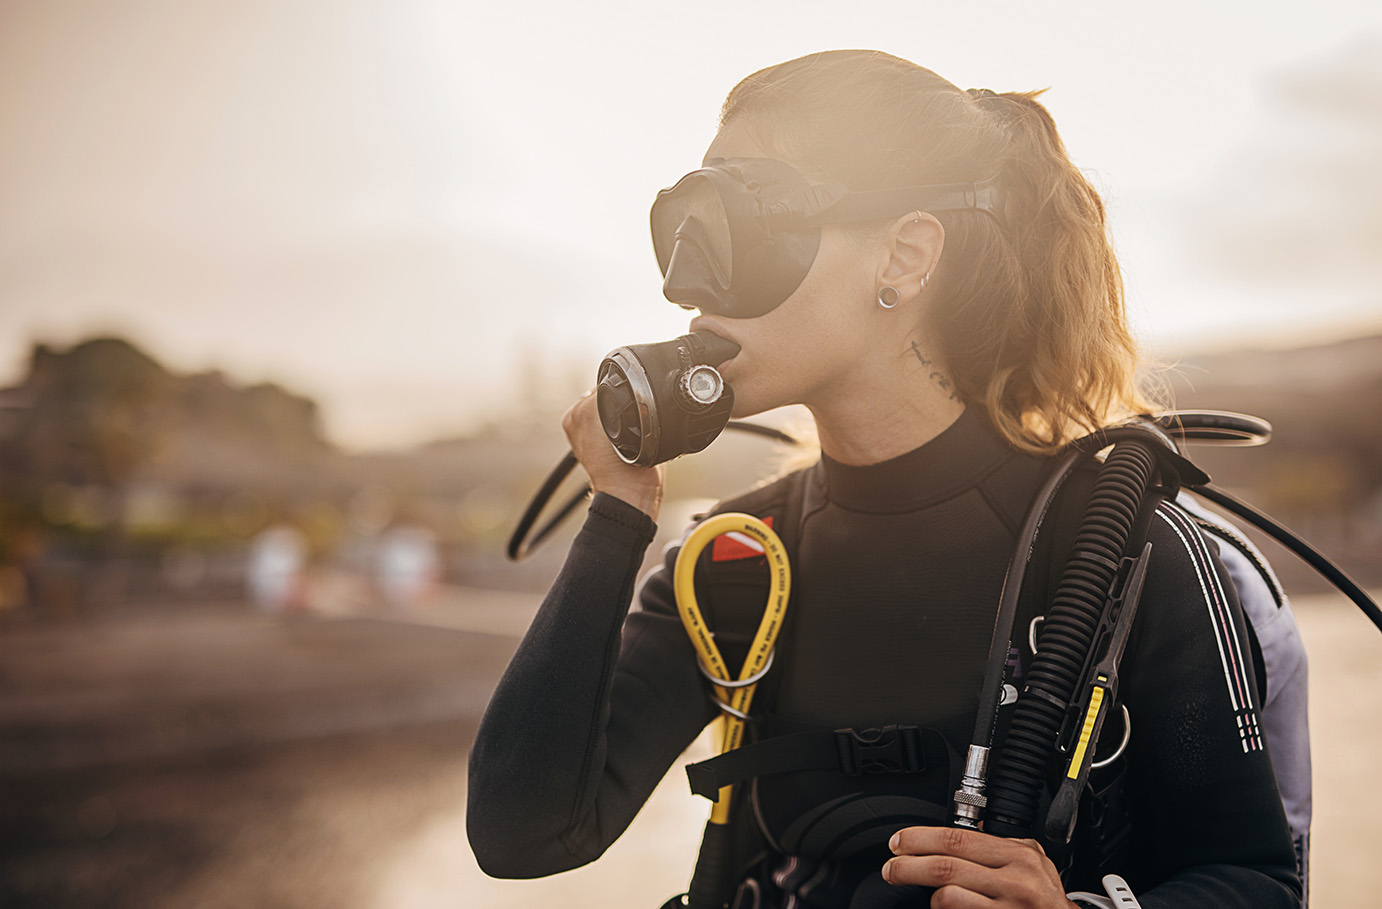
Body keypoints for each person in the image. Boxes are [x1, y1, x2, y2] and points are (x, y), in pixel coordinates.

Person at [467, 50, 1302, 908]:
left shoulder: (1125, 552)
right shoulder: (738, 564)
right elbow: (521, 833)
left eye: (739, 221)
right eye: (684, 223)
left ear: (903, 258)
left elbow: (1261, 882)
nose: (690, 280)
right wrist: (616, 515)